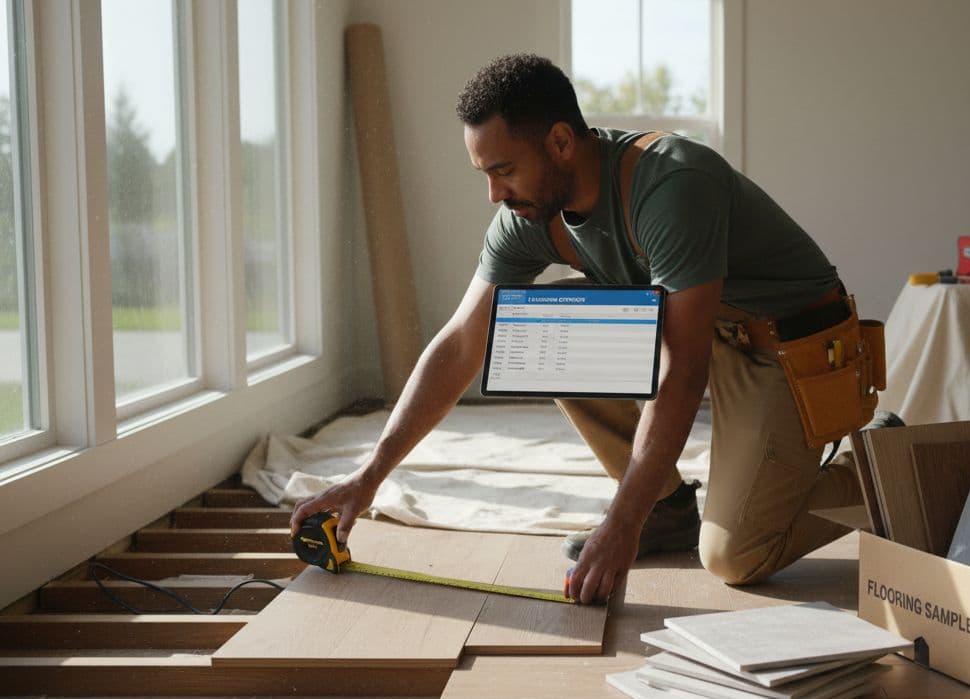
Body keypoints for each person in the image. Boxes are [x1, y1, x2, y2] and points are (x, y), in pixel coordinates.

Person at [289, 53, 886, 605]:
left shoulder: (673, 187)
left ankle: (883, 464)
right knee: (537, 327)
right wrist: (369, 477)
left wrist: (619, 524)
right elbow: (462, 341)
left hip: (786, 345)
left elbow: (682, 369)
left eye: (504, 170)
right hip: (705, 331)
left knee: (735, 555)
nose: (495, 193)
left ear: (560, 141)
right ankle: (666, 508)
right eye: (484, 173)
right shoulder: (527, 213)